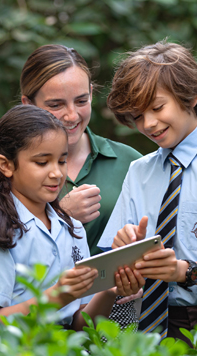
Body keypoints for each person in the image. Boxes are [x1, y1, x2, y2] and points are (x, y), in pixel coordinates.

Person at [97, 40, 197, 347]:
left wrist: (181, 271)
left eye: (157, 107)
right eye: (138, 116)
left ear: (191, 96)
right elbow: (113, 268)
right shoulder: (139, 171)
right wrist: (122, 251)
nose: (149, 124)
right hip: (148, 325)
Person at [0, 105, 145, 328]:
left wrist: (110, 291)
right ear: (5, 165)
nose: (56, 173)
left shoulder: (73, 228)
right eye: (42, 162)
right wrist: (57, 296)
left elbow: (79, 323)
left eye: (62, 160)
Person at [20, 44, 142, 329]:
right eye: (55, 104)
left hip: (116, 315)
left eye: (81, 100)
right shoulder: (7, 166)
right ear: (28, 104)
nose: (72, 115)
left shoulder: (130, 162)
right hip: (35, 317)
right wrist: (60, 213)